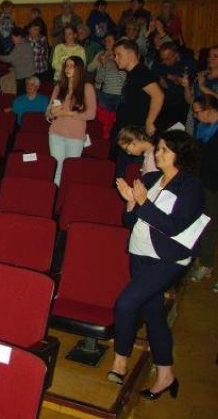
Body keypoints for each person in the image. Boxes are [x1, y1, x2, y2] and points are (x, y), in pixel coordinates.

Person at [111, 131, 207, 400]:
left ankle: (120, 360)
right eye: (159, 149)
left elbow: (175, 226)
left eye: (165, 149)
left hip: (167, 259)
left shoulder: (190, 186)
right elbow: (130, 223)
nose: (158, 153)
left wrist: (142, 202)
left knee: (126, 303)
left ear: (181, 154)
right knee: (153, 314)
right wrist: (131, 205)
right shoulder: (151, 179)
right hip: (139, 253)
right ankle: (166, 375)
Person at [113, 39, 165, 176]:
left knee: (131, 174)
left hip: (137, 135)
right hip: (128, 132)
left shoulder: (141, 73)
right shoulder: (133, 74)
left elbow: (158, 95)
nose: (115, 58)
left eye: (119, 54)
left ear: (131, 55)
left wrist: (149, 122)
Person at [46, 56, 97, 185]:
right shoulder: (59, 87)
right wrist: (51, 113)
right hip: (56, 133)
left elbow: (91, 114)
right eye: (66, 66)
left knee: (69, 170)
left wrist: (67, 113)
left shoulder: (87, 88)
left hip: (75, 136)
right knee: (57, 169)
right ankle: (55, 196)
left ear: (79, 69)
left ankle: (66, 197)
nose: (67, 69)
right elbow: (48, 111)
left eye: (72, 66)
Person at [189, 96, 217, 285]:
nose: (196, 117)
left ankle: (206, 263)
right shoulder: (203, 128)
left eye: (198, 112)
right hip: (203, 180)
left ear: (209, 110)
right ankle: (198, 258)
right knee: (199, 222)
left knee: (210, 224)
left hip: (214, 183)